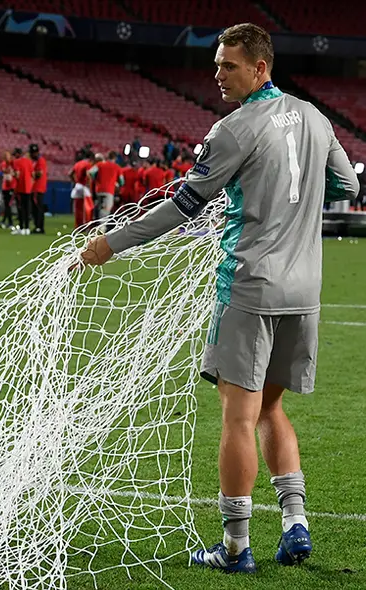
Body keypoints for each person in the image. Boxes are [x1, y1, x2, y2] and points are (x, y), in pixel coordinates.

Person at [79, 23, 359, 574]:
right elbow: (347, 186)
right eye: (216, 63)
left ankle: (235, 548)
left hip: (251, 287)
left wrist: (112, 242)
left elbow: (183, 205)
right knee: (271, 408)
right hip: (305, 290)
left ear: (260, 68)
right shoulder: (317, 117)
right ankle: (295, 524)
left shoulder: (233, 129)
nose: (217, 73)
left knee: (238, 416)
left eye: (228, 65)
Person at [88, 151, 123, 220]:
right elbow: (122, 181)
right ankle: (102, 227)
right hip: (109, 191)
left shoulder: (100, 164)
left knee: (99, 207)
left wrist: (96, 179)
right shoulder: (117, 167)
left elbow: (90, 173)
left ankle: (95, 223)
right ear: (115, 158)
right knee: (106, 209)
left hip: (99, 190)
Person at [13, 145, 34, 235]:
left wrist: (13, 175)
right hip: (28, 188)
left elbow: (17, 175)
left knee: (21, 209)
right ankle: (27, 228)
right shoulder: (29, 162)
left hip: (20, 188)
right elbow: (33, 175)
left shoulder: (16, 162)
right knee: (27, 209)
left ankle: (21, 228)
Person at [0, 149, 17, 230]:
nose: (6, 157)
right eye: (5, 156)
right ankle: (7, 222)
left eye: (8, 156)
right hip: (5, 186)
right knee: (7, 205)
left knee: (8, 205)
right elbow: (5, 171)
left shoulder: (13, 163)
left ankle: (8, 222)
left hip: (11, 187)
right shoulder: (4, 164)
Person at [30, 144, 48, 233]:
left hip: (38, 187)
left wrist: (31, 174)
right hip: (37, 188)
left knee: (38, 208)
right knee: (36, 208)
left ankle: (39, 227)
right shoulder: (38, 161)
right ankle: (38, 226)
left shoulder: (40, 161)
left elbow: (39, 173)